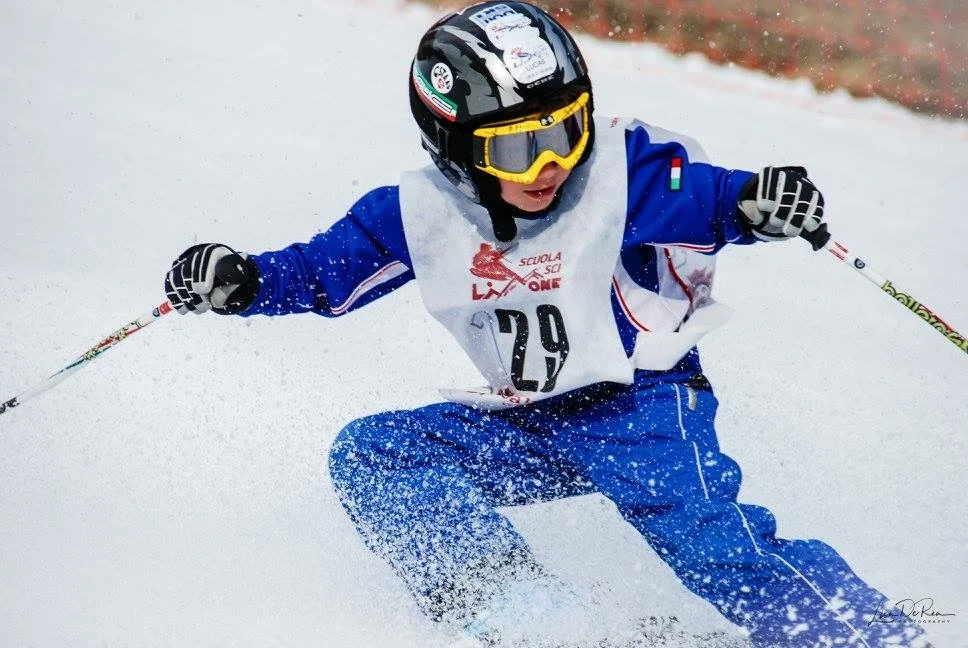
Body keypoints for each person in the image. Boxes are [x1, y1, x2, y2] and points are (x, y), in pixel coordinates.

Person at [163, 3, 928, 646]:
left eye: (565, 132)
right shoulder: (421, 213)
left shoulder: (619, 174)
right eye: (516, 150)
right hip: (530, 419)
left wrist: (754, 202)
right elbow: (322, 272)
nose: (549, 167)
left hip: (643, 409)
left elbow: (701, 197)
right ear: (455, 149)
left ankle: (857, 634)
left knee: (716, 552)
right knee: (378, 455)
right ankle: (528, 617)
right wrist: (244, 282)